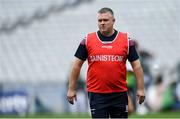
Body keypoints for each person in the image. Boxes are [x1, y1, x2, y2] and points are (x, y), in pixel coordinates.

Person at [67, 7, 145, 118]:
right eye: (100, 20)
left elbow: (137, 66)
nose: (102, 23)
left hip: (119, 94)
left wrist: (141, 89)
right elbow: (76, 66)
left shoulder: (126, 40)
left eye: (105, 20)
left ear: (113, 21)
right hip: (97, 94)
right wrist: (71, 89)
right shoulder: (88, 40)